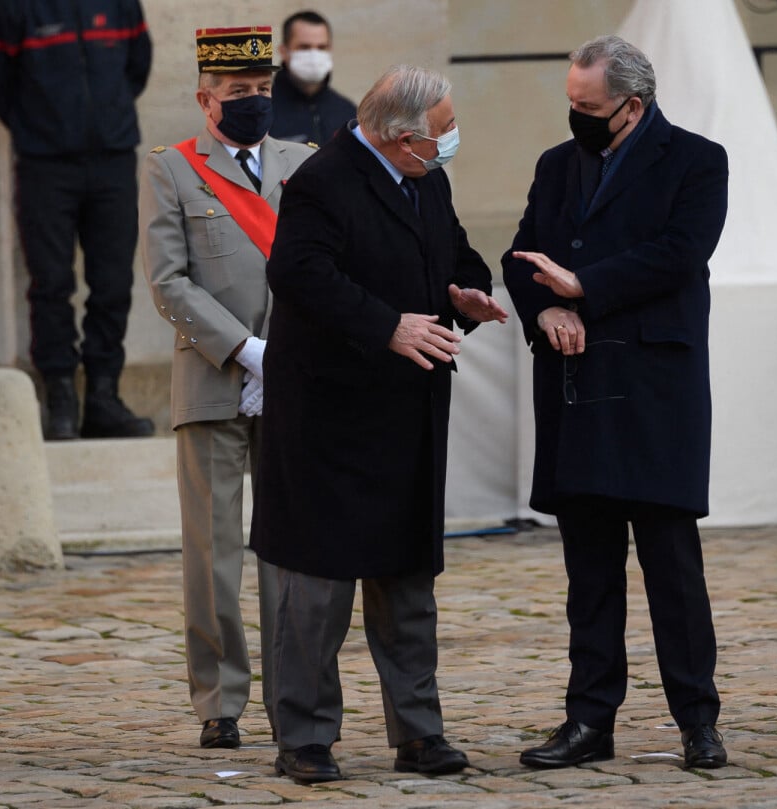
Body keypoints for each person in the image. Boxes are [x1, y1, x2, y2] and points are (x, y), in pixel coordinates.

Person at [251, 64, 508, 783]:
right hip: (330, 417)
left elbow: (456, 253)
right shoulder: (323, 181)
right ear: (400, 138)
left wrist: (470, 294)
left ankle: (420, 732)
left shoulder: (428, 178)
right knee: (319, 591)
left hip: (407, 412)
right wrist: (386, 325)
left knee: (407, 584)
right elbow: (299, 273)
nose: (451, 140)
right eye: (444, 130)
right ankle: (304, 736)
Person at [502, 35, 728, 771]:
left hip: (656, 392)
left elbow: (680, 251)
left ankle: (697, 718)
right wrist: (545, 308)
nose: (576, 117)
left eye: (588, 107)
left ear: (631, 107)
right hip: (578, 388)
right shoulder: (555, 165)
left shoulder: (697, 160)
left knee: (672, 566)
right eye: (571, 103)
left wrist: (584, 287)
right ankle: (588, 719)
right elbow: (523, 255)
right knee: (589, 571)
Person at [139, 25, 316, 751]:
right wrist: (246, 349)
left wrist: (287, 352)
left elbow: (316, 264)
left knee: (289, 548)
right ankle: (219, 698)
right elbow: (167, 279)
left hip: (295, 379)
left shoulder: (302, 162)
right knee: (212, 551)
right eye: (238, 93)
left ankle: (292, 690)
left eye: (262, 90)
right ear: (206, 98)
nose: (253, 102)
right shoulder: (172, 168)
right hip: (214, 376)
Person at [0, 0, 156, 439]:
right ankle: (60, 399)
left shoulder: (120, 5)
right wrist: (38, 128)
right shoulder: (11, 10)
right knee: (51, 283)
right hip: (45, 166)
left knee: (113, 283)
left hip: (113, 160)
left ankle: (103, 396)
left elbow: (137, 67)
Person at [269, 10, 357, 145]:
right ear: (284, 51)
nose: (314, 55)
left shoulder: (347, 113)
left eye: (321, 47)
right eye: (304, 47)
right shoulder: (264, 112)